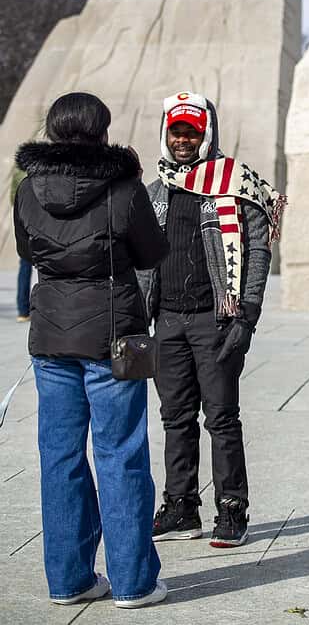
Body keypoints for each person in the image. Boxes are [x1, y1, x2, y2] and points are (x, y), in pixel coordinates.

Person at [13, 92, 170, 608]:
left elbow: (27, 250)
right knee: (121, 455)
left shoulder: (28, 190)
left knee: (59, 458)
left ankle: (69, 579)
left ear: (53, 130)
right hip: (113, 337)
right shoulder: (123, 186)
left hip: (52, 337)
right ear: (102, 130)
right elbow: (152, 251)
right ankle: (132, 583)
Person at [142, 92, 285, 547]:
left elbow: (259, 248)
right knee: (174, 418)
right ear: (166, 135)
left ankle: (232, 509)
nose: (183, 139)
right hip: (166, 320)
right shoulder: (155, 190)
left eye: (192, 130)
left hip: (215, 319)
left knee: (221, 417)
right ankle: (181, 506)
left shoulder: (232, 181)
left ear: (207, 133)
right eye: (176, 130)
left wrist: (248, 316)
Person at [11, 168, 31, 322]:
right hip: (43, 222)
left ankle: (22, 310)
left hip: (24, 222)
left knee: (25, 264)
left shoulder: (18, 172)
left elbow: (13, 198)